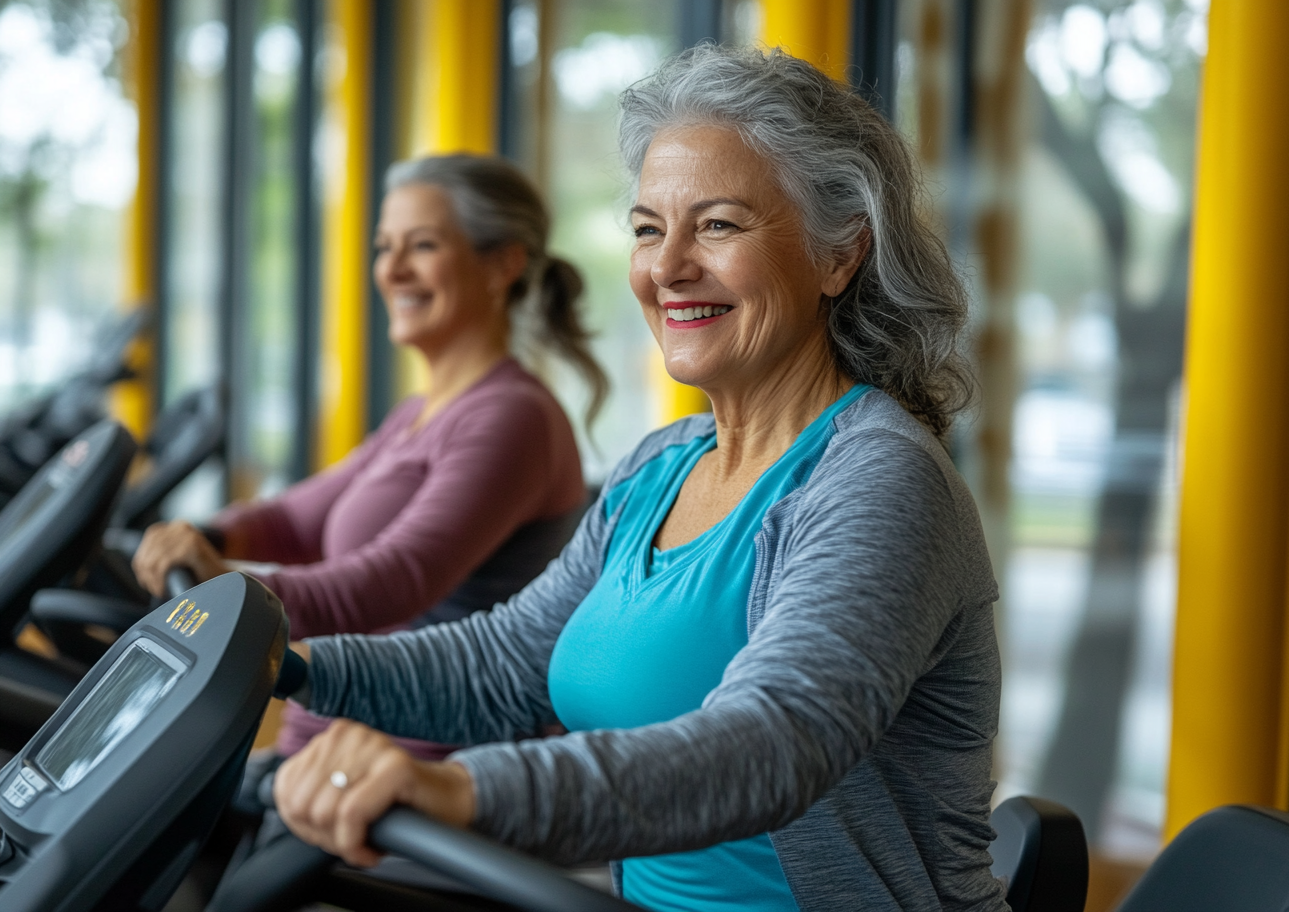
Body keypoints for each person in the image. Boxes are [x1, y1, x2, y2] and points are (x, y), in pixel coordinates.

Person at [273, 45, 1006, 912]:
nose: (666, 269)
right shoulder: (661, 466)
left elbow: (773, 742)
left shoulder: (879, 482)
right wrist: (281, 665)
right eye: (649, 229)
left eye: (720, 225)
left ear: (839, 255)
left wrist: (465, 790)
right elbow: (502, 666)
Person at [132, 154, 607, 761]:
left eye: (423, 246)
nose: (394, 270)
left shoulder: (513, 417)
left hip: (417, 773)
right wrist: (201, 537)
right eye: (385, 248)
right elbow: (293, 522)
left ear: (503, 264)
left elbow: (394, 581)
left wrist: (224, 587)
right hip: (330, 746)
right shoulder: (418, 414)